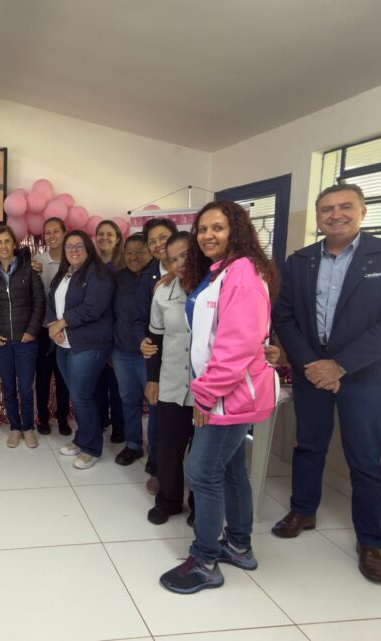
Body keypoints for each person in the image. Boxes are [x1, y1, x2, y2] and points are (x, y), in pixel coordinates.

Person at [271, 183, 381, 584]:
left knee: (365, 461)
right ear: (318, 217)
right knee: (308, 446)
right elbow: (283, 317)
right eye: (326, 209)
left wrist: (339, 366)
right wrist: (312, 364)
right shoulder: (299, 261)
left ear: (362, 211)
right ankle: (303, 510)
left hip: (364, 377)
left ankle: (371, 542)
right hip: (310, 373)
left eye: (345, 207)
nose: (335, 214)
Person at [159, 201, 278, 595]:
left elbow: (236, 347)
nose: (209, 235)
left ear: (236, 231)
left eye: (218, 228)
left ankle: (206, 560)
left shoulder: (241, 274)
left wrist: (204, 396)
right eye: (203, 229)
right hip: (226, 393)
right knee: (229, 471)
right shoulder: (223, 271)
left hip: (228, 396)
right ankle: (239, 545)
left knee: (201, 471)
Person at [46, 229, 115, 469]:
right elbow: (51, 301)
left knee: (82, 396)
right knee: (79, 396)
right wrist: (52, 326)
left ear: (88, 248)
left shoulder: (99, 274)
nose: (73, 251)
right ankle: (82, 438)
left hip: (89, 344)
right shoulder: (64, 274)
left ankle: (92, 448)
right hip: (64, 344)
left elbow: (93, 308)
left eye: (78, 246)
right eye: (69, 247)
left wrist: (62, 322)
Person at [141, 231, 197, 524]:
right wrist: (152, 379)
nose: (179, 263)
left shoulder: (215, 289)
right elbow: (155, 339)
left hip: (206, 386)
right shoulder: (163, 292)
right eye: (172, 259)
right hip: (172, 379)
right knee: (169, 446)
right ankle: (169, 500)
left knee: (201, 450)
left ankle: (199, 504)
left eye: (185, 255)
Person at [0, 226, 44, 448]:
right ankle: (15, 428)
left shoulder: (29, 270)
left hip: (26, 340)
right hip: (2, 342)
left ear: (14, 245)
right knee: (8, 387)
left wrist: (31, 331)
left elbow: (39, 303)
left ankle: (28, 428)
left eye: (8, 241)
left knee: (25, 388)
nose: (4, 246)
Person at [135, 218, 178, 494]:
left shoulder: (198, 271)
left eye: (162, 238)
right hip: (157, 356)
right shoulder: (147, 276)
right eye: (152, 241)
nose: (157, 244)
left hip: (191, 358)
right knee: (159, 416)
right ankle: (158, 469)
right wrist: (142, 340)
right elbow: (139, 317)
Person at [111, 233, 153, 466]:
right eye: (129, 253)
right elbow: (111, 315)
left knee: (155, 404)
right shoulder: (119, 278)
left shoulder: (157, 277)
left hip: (150, 354)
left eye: (139, 252)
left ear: (149, 252)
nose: (134, 257)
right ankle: (134, 445)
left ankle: (156, 452)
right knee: (128, 400)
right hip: (122, 351)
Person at [30, 217, 71, 436]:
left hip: (68, 326)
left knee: (63, 376)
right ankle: (43, 418)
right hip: (45, 327)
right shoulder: (38, 259)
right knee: (43, 376)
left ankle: (63, 417)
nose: (52, 236)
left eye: (56, 231)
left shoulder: (73, 258)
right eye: (48, 232)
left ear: (65, 233)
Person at [94, 219, 126, 443]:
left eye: (109, 234)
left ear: (117, 238)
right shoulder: (91, 264)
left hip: (119, 332)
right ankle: (100, 421)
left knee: (117, 384)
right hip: (96, 332)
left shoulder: (124, 265)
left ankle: (119, 427)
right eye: (100, 234)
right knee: (97, 380)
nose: (104, 238)